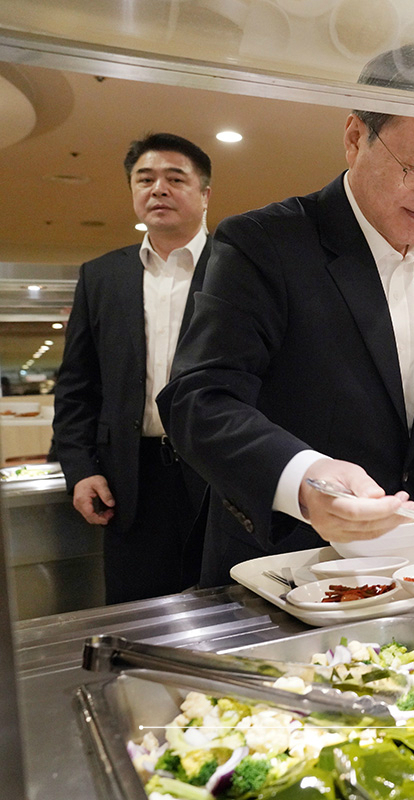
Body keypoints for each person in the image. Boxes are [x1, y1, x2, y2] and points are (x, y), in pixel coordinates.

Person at [159, 45, 414, 587]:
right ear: (356, 137)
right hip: (284, 561)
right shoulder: (265, 244)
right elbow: (199, 400)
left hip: (410, 561)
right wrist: (305, 477)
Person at [54, 132, 212, 603]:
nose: (157, 188)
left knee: (232, 613)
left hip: (221, 475)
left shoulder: (241, 268)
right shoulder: (102, 276)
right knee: (137, 617)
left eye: (174, 178)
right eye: (145, 179)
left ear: (205, 194)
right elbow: (77, 385)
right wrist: (80, 468)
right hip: (130, 480)